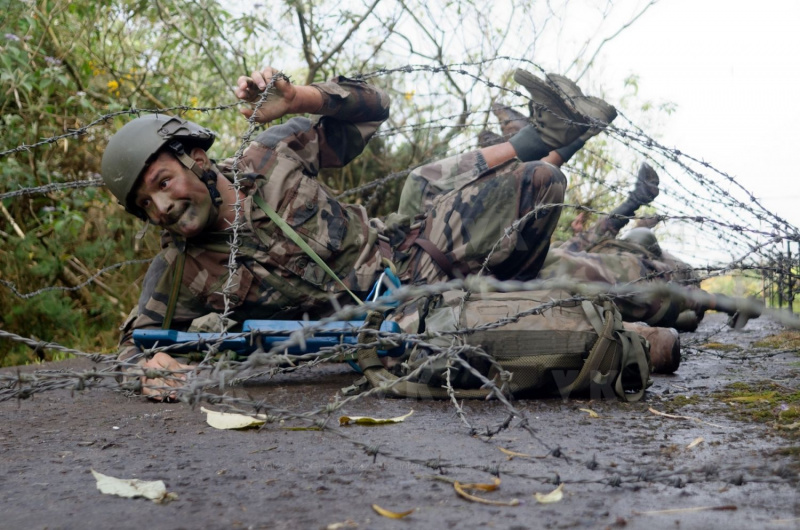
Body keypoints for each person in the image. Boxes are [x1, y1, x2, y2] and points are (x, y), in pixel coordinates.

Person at [101, 67, 597, 399]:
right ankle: (548, 145)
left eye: (163, 183)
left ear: (198, 158)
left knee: (537, 182)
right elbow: (130, 344)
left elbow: (373, 107)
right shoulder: (179, 270)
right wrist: (147, 368)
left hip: (411, 259)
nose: (162, 207)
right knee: (554, 308)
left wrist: (298, 98)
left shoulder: (273, 158)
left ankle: (551, 138)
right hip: (379, 331)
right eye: (145, 204)